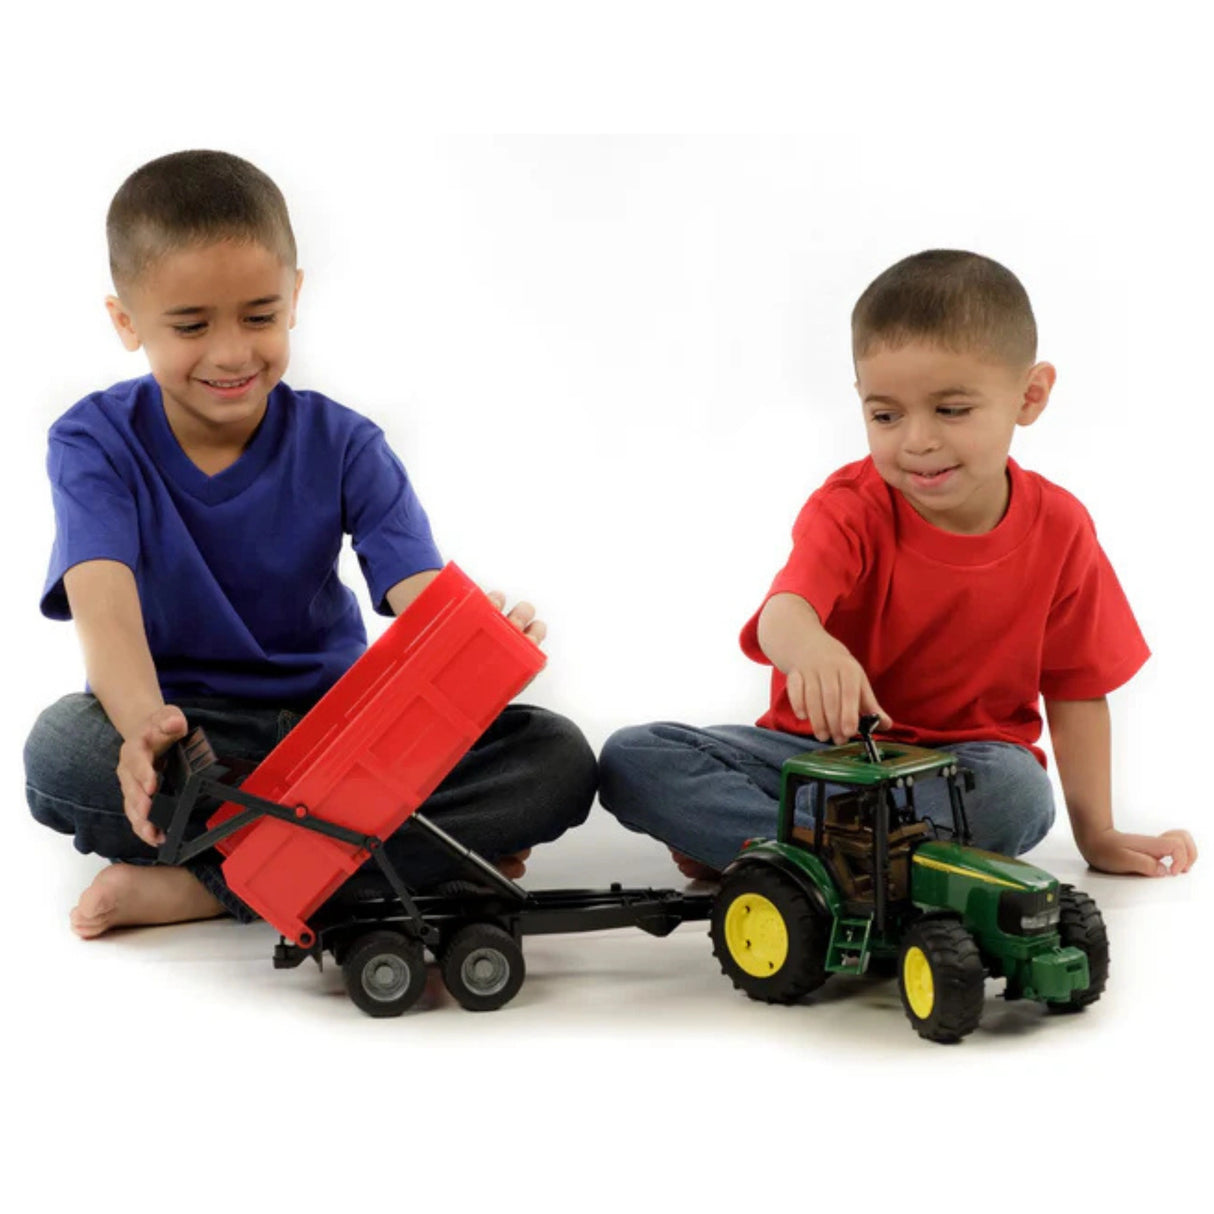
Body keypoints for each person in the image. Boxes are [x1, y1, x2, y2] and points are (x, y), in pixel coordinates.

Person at [25, 150, 596, 939]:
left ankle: (212, 888)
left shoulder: (347, 443)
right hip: (195, 741)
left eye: (259, 316)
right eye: (191, 326)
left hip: (337, 732)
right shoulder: (92, 441)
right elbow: (104, 604)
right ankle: (373, 862)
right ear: (127, 321)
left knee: (555, 758)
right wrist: (144, 728)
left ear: (294, 296)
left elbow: (419, 595)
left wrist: (475, 645)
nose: (232, 353)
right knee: (59, 752)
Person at [599, 249, 1197, 881]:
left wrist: (1098, 833)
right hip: (818, 760)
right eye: (886, 415)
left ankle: (779, 853)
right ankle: (841, 862)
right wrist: (812, 649)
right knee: (634, 756)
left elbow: (1077, 689)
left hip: (958, 771)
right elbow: (783, 614)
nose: (917, 440)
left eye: (951, 410)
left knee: (1019, 792)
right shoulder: (849, 508)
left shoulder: (1062, 528)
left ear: (1030, 395)